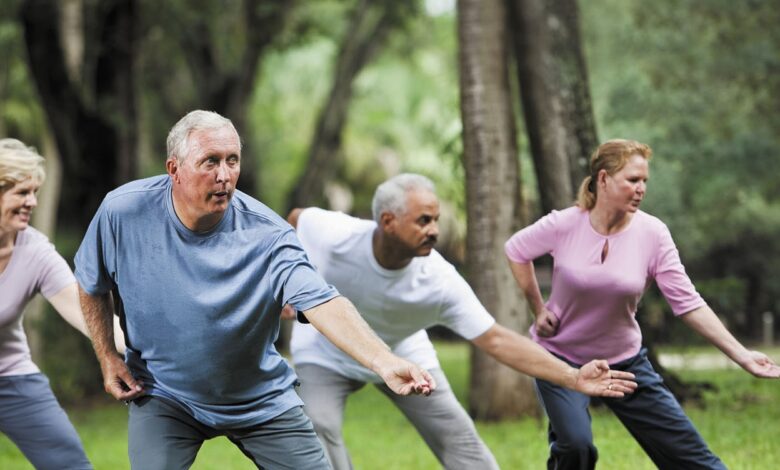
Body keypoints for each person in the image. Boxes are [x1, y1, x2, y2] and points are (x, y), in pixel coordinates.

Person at [74, 110, 435, 470]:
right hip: (165, 393)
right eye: (210, 162)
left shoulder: (269, 236)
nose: (224, 175)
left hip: (258, 398)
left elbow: (324, 302)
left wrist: (383, 360)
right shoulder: (123, 212)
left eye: (232, 161)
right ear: (174, 170)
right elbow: (91, 282)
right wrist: (107, 357)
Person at [286, 173, 637, 470]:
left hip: (404, 355)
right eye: (424, 220)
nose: (435, 230)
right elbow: (296, 219)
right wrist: (286, 283)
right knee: (317, 424)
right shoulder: (335, 234)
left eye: (436, 219)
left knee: (461, 441)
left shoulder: (439, 279)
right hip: (326, 349)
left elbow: (496, 340)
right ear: (389, 222)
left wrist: (572, 376)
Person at [505, 139, 780, 469]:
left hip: (625, 362)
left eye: (644, 181)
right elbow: (516, 250)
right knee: (576, 447)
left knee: (693, 459)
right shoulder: (565, 224)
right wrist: (539, 308)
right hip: (561, 361)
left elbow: (688, 302)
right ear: (604, 179)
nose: (641, 189)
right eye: (633, 180)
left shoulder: (653, 234)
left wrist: (742, 355)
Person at [0, 139, 121, 469]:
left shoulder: (35, 252)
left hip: (11, 377)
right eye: (22, 193)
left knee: (69, 463)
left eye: (35, 192)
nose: (32, 202)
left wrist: (139, 345)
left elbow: (85, 311)